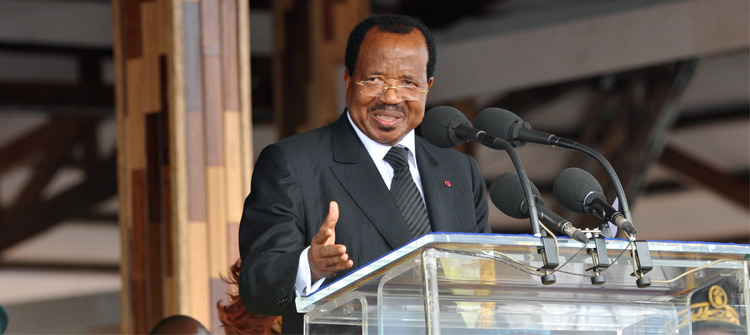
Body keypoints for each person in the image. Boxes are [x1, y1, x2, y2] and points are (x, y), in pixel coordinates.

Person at [239, 14, 490, 334]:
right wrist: (310, 266)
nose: (390, 97)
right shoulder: (292, 164)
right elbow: (256, 286)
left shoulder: (460, 171)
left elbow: (483, 279)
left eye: (408, 82)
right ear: (347, 79)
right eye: (373, 79)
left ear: (427, 87)